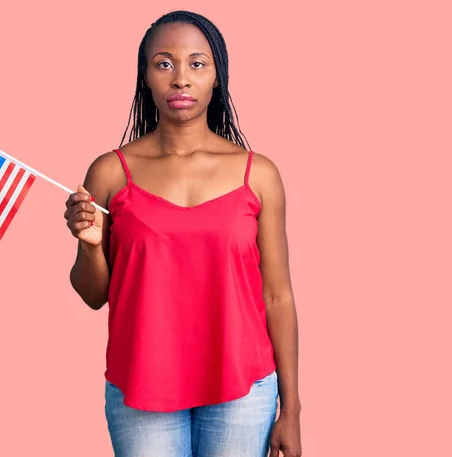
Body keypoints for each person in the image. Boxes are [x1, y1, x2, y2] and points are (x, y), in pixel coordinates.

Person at [64, 10, 302, 457]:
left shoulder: (259, 174)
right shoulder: (111, 172)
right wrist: (89, 245)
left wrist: (291, 409)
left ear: (217, 77)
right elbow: (94, 295)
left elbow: (277, 296)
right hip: (141, 386)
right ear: (146, 78)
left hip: (242, 389)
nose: (180, 79)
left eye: (197, 63)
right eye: (164, 63)